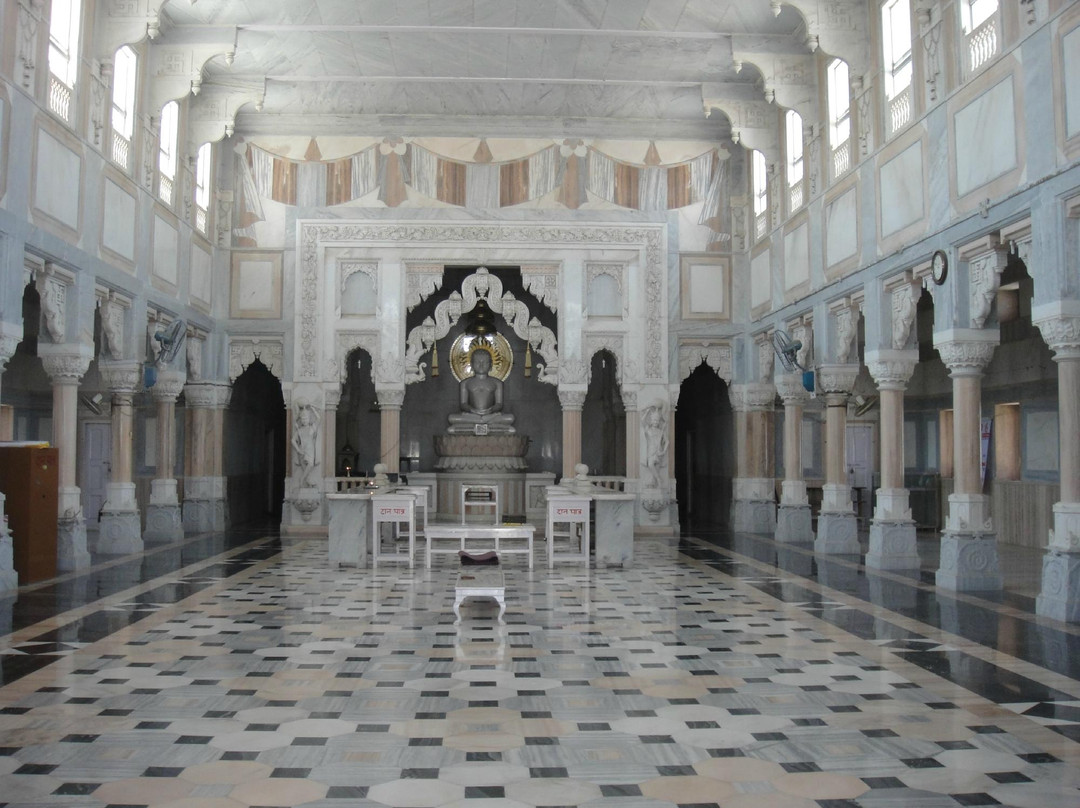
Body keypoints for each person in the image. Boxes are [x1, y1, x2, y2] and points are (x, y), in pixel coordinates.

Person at [447, 348, 516, 434]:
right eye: (477, 362)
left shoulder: (497, 383)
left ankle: (475, 426)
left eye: (485, 362)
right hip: (473, 415)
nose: (481, 365)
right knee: (452, 418)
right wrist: (472, 411)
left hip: (490, 415)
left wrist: (490, 411)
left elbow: (499, 404)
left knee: (510, 418)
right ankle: (485, 425)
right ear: (471, 364)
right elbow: (463, 404)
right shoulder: (465, 383)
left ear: (491, 364)